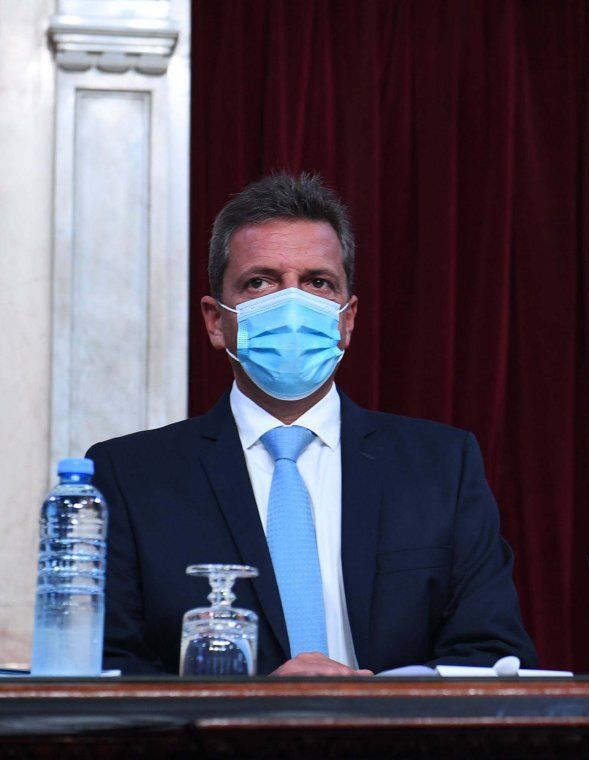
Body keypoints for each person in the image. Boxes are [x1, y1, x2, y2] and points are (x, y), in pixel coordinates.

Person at [88, 172, 536, 676]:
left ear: (347, 319)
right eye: (260, 282)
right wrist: (253, 702)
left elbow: (492, 654)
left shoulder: (440, 467)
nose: (292, 306)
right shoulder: (129, 476)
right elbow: (104, 667)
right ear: (216, 321)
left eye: (317, 283)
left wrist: (378, 706)